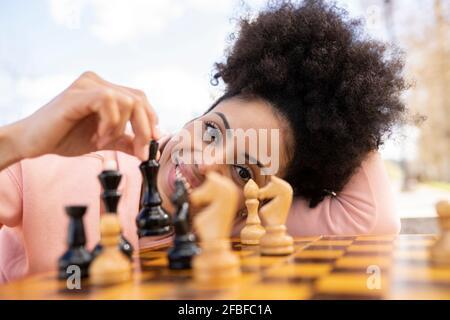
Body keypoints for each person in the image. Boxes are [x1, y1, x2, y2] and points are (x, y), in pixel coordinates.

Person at [0, 0, 406, 283]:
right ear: (197, 114)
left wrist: (338, 109)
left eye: (244, 168)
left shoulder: (245, 220)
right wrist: (20, 140)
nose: (208, 162)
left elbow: (374, 218)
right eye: (212, 130)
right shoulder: (65, 162)